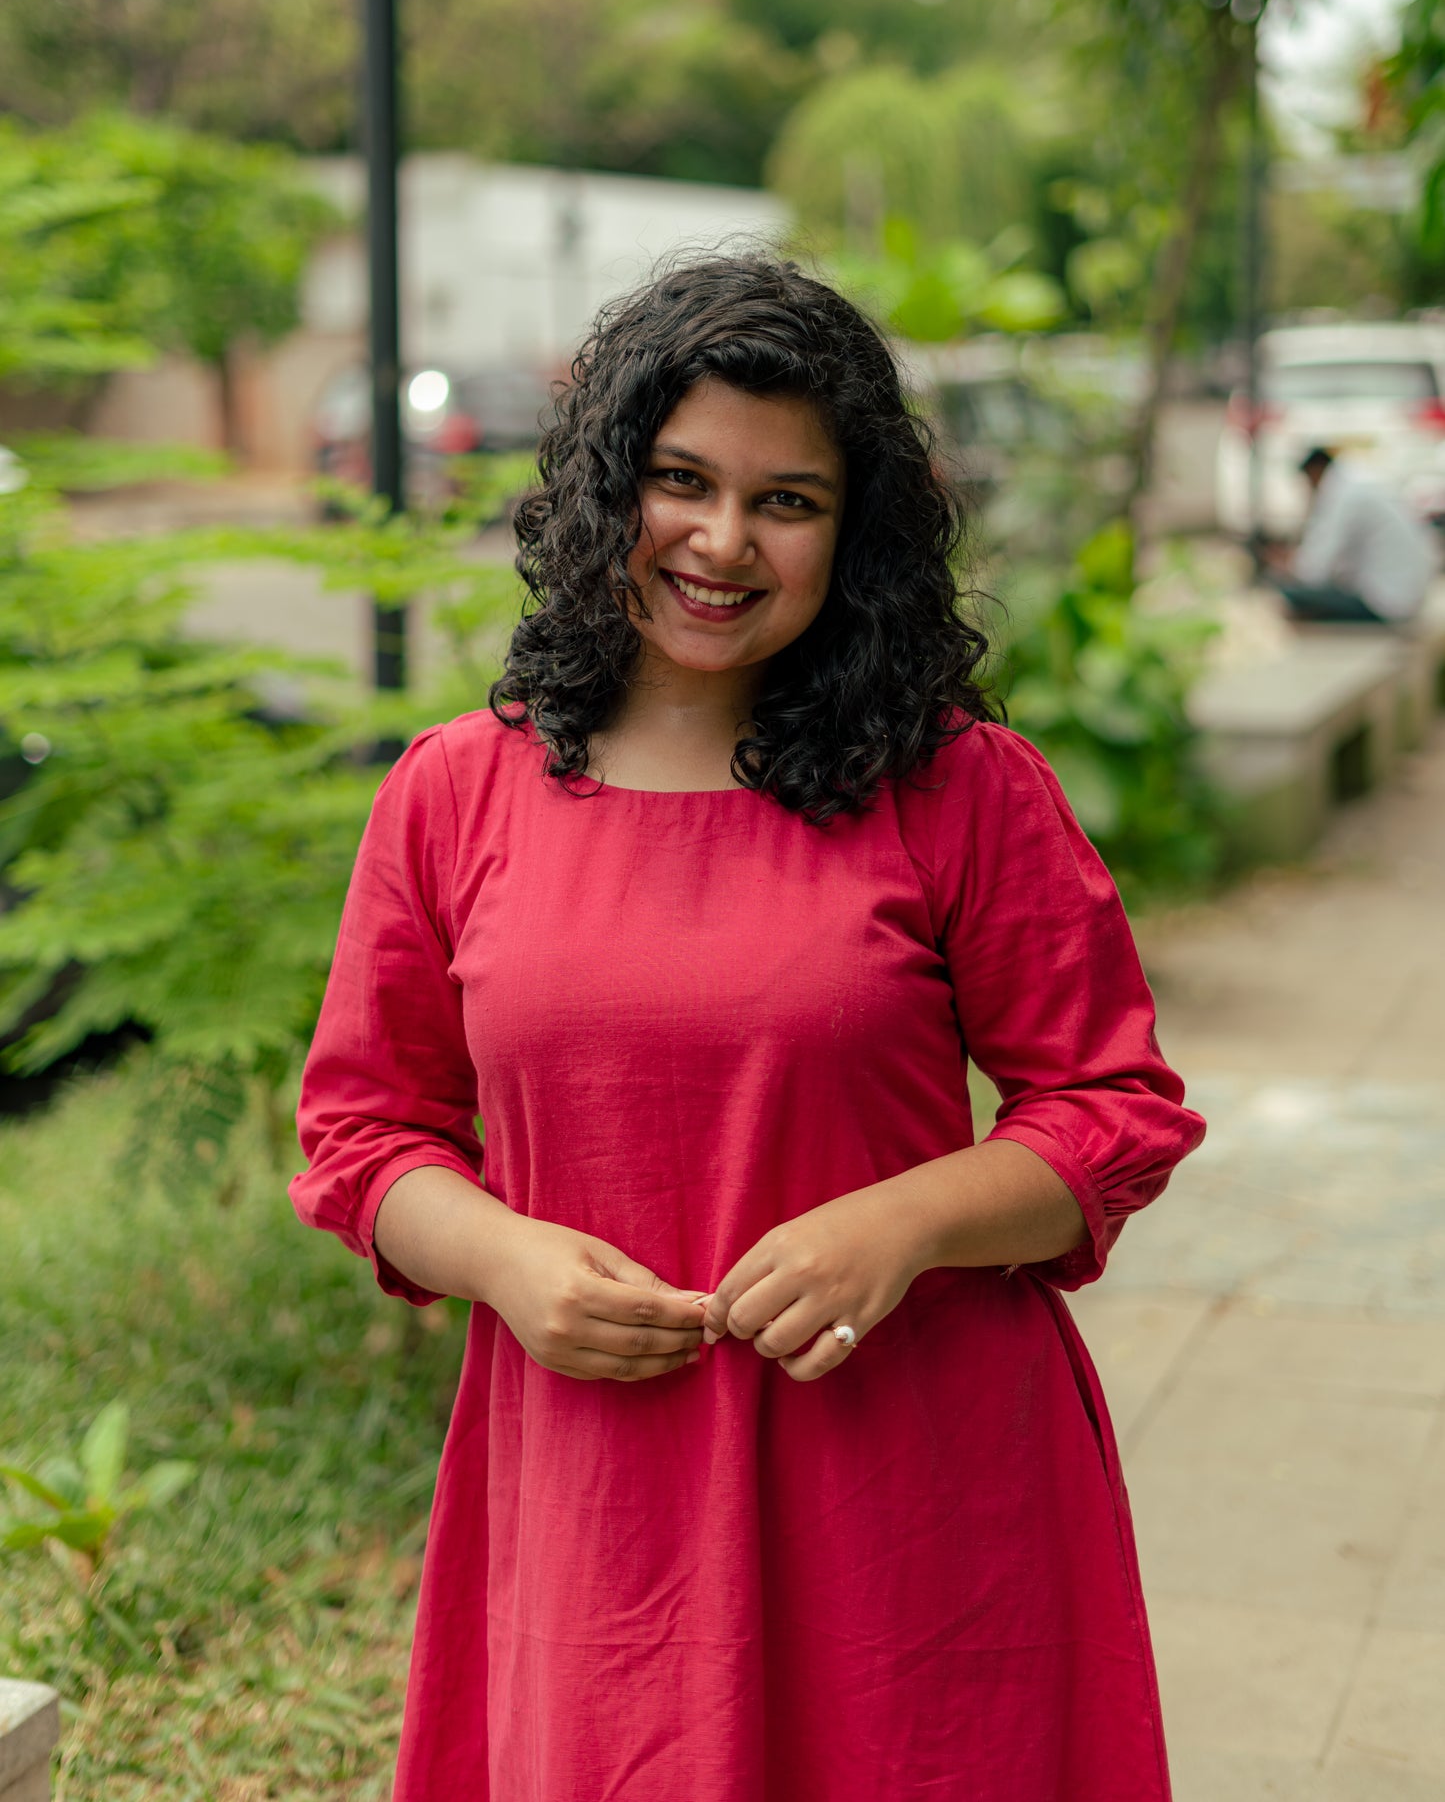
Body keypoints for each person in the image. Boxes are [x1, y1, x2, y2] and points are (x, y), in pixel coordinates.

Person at [291, 255, 1205, 1802]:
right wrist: (505, 1261)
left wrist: (908, 1222)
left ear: (853, 537)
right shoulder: (456, 792)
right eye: (680, 481)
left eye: (787, 500)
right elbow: (363, 1134)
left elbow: (1111, 1108)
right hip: (600, 1502)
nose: (722, 542)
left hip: (918, 1510)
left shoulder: (962, 788)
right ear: (605, 492)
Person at [1274, 446, 1435, 624]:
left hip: (1384, 604)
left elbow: (1313, 571)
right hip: (1405, 598)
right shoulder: (1360, 484)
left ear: (1314, 471)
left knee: (1285, 594)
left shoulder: (1343, 495)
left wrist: (1287, 565)